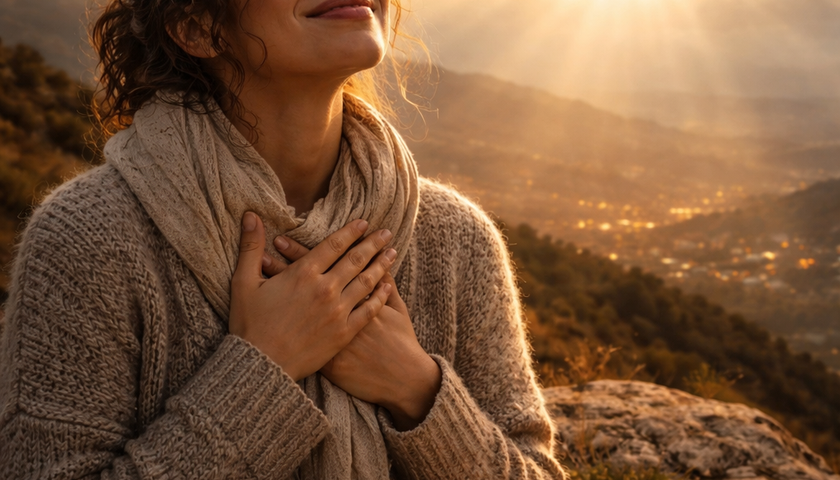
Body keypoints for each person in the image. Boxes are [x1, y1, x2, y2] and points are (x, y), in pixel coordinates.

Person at [0, 0, 566, 478]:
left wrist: (416, 388)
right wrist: (262, 372)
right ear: (198, 27)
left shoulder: (456, 239)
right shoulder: (89, 239)